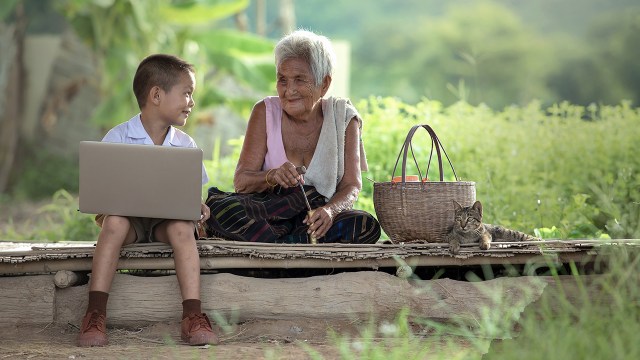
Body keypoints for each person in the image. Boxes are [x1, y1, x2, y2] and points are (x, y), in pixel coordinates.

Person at [77, 54, 218, 347]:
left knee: (182, 228)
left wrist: (199, 207)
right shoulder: (118, 138)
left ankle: (192, 315)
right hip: (128, 225)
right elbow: (103, 195)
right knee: (114, 222)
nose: (191, 102)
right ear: (156, 95)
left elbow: (192, 196)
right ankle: (94, 314)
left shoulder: (185, 145)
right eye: (187, 93)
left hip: (165, 224)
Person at [205, 30, 381, 244]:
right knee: (222, 209)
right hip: (270, 214)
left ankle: (275, 253)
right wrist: (272, 176)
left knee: (365, 225)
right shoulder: (265, 111)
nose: (289, 90)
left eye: (299, 80)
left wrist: (329, 211)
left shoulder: (344, 117)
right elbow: (242, 182)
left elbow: (352, 185)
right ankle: (298, 251)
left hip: (315, 220)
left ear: (324, 84)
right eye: (283, 80)